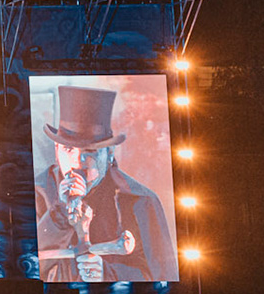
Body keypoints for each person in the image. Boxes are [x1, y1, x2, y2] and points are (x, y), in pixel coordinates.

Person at [32, 85, 176, 283]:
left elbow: (161, 277)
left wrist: (109, 274)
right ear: (56, 150)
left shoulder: (141, 202)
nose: (77, 164)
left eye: (89, 152)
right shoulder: (36, 193)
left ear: (109, 153)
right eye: (68, 149)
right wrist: (60, 213)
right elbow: (28, 266)